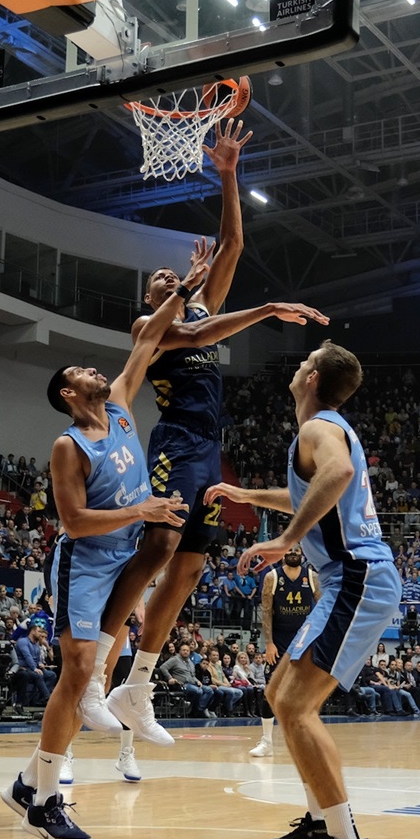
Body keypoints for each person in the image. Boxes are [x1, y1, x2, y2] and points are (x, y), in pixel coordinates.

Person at [98, 121, 327, 778]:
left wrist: (227, 173)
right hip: (172, 440)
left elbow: (234, 240)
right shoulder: (152, 326)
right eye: (160, 278)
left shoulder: (200, 320)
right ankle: (99, 668)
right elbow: (178, 318)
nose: (169, 276)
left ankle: (137, 685)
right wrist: (187, 291)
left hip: (208, 449)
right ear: (151, 296)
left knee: (192, 568)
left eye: (176, 273)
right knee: (162, 546)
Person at [1, 241, 209, 839]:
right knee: (80, 671)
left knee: (93, 668)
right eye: (81, 373)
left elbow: (147, 343)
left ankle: (29, 785)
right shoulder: (69, 446)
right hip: (85, 563)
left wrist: (186, 290)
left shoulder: (119, 408)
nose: (95, 371)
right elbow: (72, 523)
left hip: (124, 555)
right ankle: (44, 798)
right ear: (69, 394)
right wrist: (140, 508)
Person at [207, 340, 400, 839]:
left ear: (313, 377)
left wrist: (286, 539)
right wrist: (250, 497)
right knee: (279, 694)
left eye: (304, 360)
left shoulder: (320, 428)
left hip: (356, 574)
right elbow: (310, 491)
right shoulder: (322, 431)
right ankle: (320, 823)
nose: (297, 365)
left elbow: (336, 476)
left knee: (295, 704)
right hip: (348, 577)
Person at [250, 547, 319, 757]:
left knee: (307, 693)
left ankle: (308, 740)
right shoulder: (272, 577)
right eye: (289, 550)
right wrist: (269, 642)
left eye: (296, 550)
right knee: (270, 692)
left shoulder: (312, 576)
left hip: (304, 641)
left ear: (302, 554)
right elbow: (266, 611)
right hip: (279, 643)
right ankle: (266, 742)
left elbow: (322, 608)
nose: (293, 553)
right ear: (283, 555)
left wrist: (316, 639)